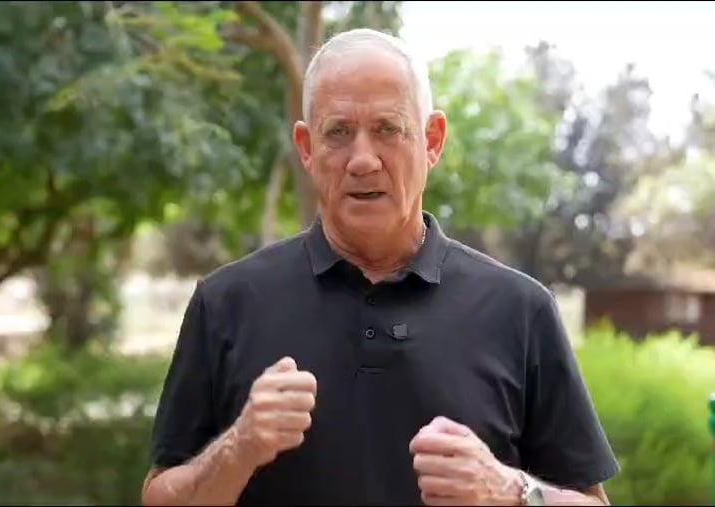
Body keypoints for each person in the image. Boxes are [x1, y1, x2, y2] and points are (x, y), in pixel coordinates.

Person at [141, 28, 620, 506]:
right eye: (338, 132)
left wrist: (511, 492)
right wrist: (238, 448)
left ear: (432, 141)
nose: (363, 160)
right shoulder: (226, 304)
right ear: (306, 147)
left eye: (388, 129)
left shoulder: (520, 311)